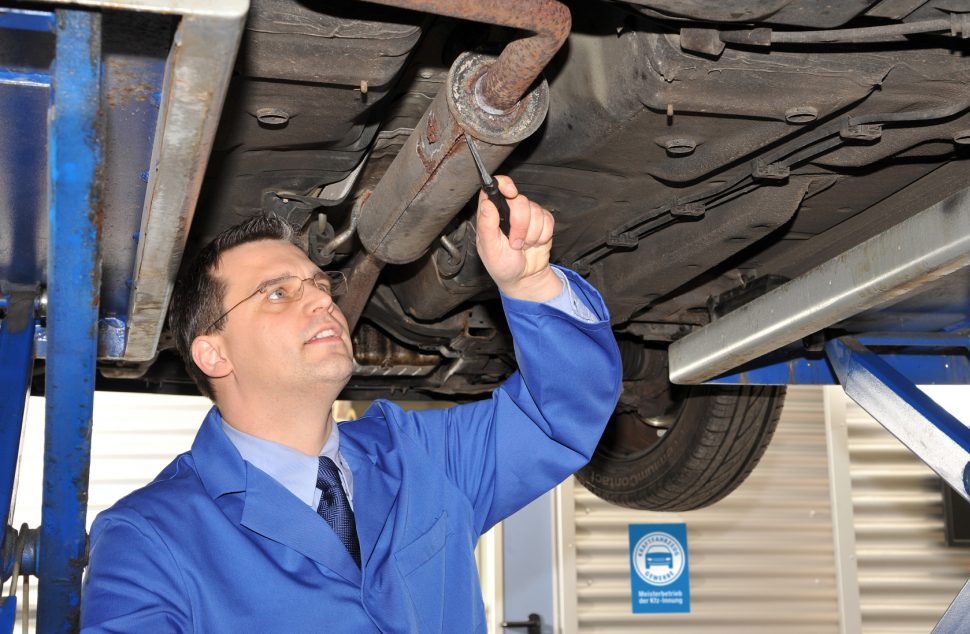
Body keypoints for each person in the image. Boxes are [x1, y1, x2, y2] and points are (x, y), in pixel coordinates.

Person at [80, 176, 622, 632]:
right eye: (277, 293)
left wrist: (531, 283)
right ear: (213, 353)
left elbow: (563, 413)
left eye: (319, 283)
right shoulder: (148, 537)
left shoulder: (422, 457)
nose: (322, 297)